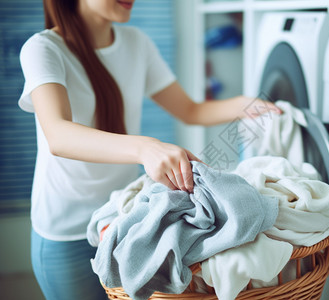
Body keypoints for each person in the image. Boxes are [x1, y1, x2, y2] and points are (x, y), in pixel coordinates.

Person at [18, 0, 281, 299]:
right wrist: (146, 148)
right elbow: (59, 134)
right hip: (64, 234)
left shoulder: (136, 44)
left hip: (121, 220)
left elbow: (190, 110)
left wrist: (249, 106)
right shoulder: (43, 49)